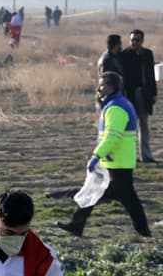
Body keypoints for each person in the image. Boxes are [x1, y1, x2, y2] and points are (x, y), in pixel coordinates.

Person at [56, 71, 152, 238]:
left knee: (124, 197)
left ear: (112, 87)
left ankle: (143, 230)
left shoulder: (116, 108)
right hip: (116, 159)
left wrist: (97, 155)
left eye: (102, 85)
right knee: (97, 191)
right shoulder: (116, 104)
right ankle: (76, 224)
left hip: (117, 161)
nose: (98, 88)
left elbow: (112, 136)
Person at [119, 29, 157, 162]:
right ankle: (128, 155)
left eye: (137, 40)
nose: (134, 42)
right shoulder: (125, 55)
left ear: (142, 41)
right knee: (129, 127)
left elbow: (151, 75)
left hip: (144, 94)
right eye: (132, 40)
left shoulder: (148, 54)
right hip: (129, 95)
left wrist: (154, 94)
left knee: (144, 125)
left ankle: (145, 156)